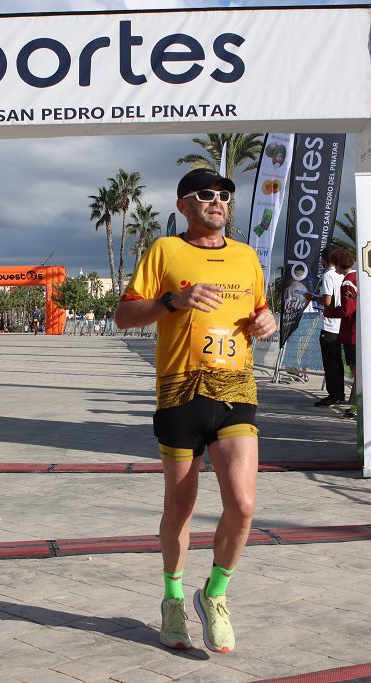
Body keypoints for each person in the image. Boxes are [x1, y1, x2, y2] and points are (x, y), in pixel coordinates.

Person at [115, 168, 277, 654]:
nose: (218, 201)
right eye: (206, 195)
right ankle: (172, 598)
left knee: (243, 505)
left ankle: (215, 595)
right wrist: (173, 301)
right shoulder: (165, 252)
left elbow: (261, 311)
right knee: (180, 509)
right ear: (184, 205)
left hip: (235, 392)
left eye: (225, 195)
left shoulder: (247, 257)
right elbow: (124, 316)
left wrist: (266, 321)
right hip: (181, 394)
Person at [322, 248, 357, 419]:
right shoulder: (358, 278)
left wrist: (328, 312)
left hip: (352, 332)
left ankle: (357, 408)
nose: (333, 267)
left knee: (356, 371)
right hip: (357, 331)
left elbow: (347, 310)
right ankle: (356, 406)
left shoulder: (348, 282)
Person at [310, 250, 346, 407]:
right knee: (338, 362)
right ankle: (340, 394)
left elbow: (326, 301)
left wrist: (311, 297)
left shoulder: (328, 275)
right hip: (342, 324)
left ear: (325, 260)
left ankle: (334, 395)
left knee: (330, 362)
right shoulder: (342, 275)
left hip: (330, 324)